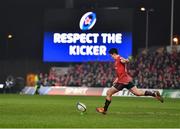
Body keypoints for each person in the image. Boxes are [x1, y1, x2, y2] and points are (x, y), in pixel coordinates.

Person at [96, 48, 164, 114]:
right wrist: (117, 79)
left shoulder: (119, 59)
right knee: (138, 93)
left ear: (113, 54)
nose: (111, 57)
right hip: (126, 80)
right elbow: (123, 71)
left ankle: (104, 109)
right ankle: (154, 94)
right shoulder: (117, 61)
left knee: (108, 93)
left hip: (122, 82)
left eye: (111, 55)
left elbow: (125, 61)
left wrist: (126, 60)